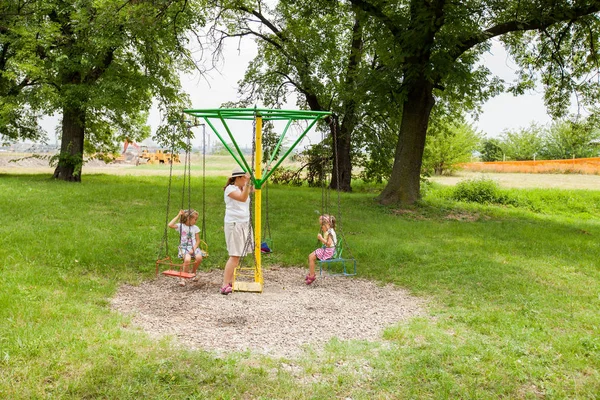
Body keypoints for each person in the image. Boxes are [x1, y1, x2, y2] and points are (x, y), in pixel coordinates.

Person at [221, 166, 253, 295]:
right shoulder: (230, 189)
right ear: (238, 178)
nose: (246, 180)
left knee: (237, 256)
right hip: (234, 224)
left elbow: (258, 187)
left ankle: (231, 282)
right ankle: (224, 284)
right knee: (234, 255)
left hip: (243, 223)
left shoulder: (242, 187)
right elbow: (242, 198)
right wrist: (248, 185)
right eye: (245, 178)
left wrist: (262, 174)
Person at [168, 209, 204, 286]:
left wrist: (193, 249)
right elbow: (170, 225)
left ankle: (193, 273)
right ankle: (183, 278)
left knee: (199, 258)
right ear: (188, 219)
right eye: (195, 219)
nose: (196, 221)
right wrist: (178, 215)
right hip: (184, 248)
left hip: (194, 248)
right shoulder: (181, 226)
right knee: (187, 259)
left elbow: (198, 241)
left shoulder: (195, 228)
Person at [305, 214, 337, 285]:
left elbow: (328, 243)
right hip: (327, 250)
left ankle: (312, 276)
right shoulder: (328, 231)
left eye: (322, 225)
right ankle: (311, 274)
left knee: (311, 257)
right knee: (311, 256)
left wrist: (321, 238)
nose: (321, 227)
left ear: (327, 224)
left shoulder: (330, 233)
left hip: (328, 251)